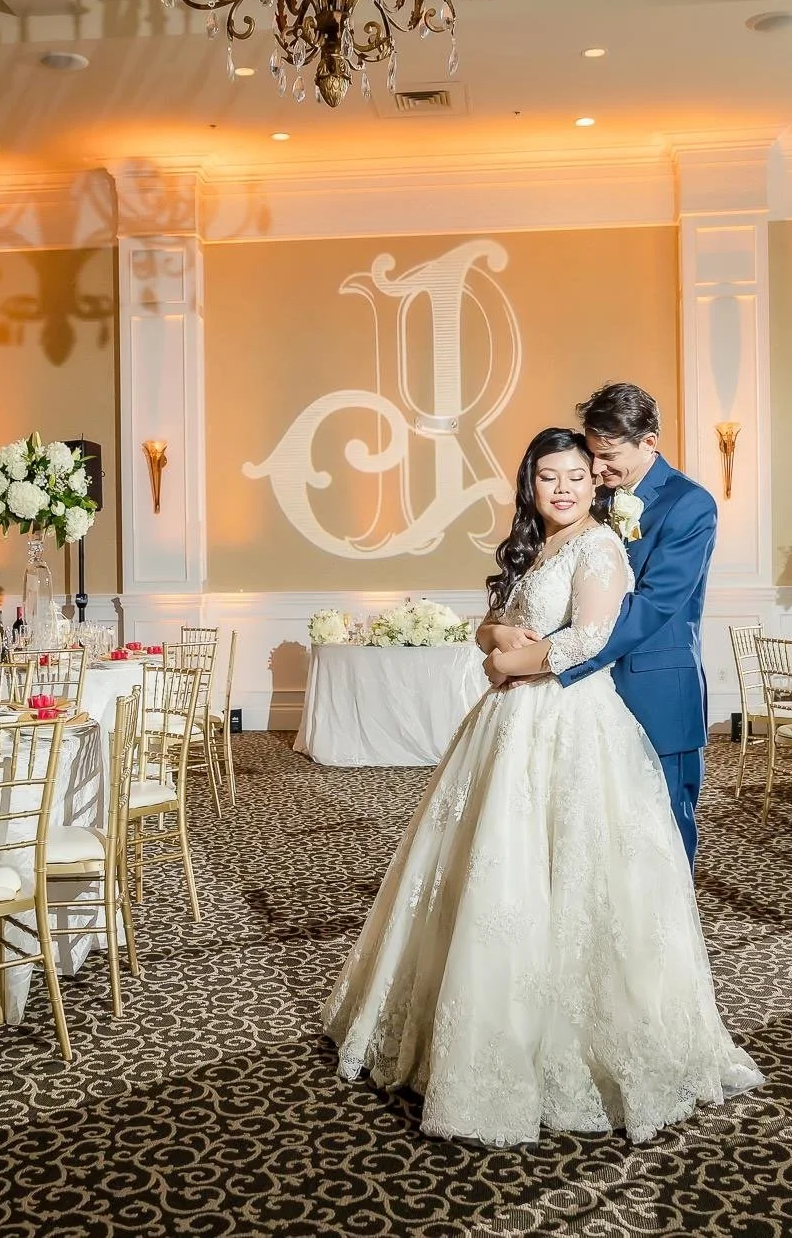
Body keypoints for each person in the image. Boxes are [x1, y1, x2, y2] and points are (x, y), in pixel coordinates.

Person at [324, 427, 759, 1147]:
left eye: (576, 476)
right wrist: (500, 645)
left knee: (577, 873)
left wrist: (510, 660)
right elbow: (492, 626)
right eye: (548, 477)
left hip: (571, 722)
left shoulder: (600, 546)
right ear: (531, 484)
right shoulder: (539, 549)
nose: (562, 488)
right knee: (498, 870)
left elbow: (588, 639)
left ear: (597, 484)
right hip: (508, 726)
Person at [478, 382, 717, 861]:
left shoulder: (690, 504)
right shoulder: (592, 496)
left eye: (608, 456)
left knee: (662, 832)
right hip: (578, 703)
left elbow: (652, 606)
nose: (597, 468)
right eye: (592, 454)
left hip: (652, 689)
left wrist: (548, 658)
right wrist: (503, 634)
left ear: (649, 442)